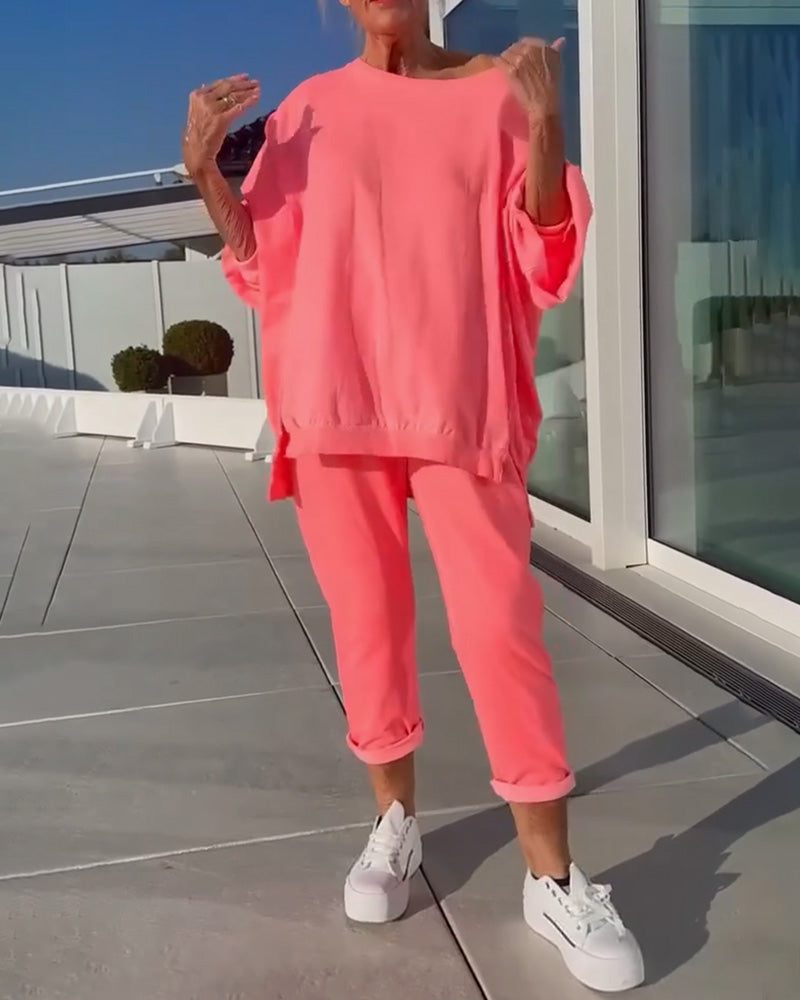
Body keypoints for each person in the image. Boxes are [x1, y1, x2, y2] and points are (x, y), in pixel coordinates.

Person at [182, 0, 644, 991]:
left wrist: (545, 128)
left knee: (500, 630)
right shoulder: (309, 110)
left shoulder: (496, 93)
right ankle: (393, 823)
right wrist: (207, 177)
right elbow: (264, 268)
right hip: (334, 404)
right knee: (367, 627)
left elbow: (543, 254)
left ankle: (551, 876)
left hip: (459, 405)